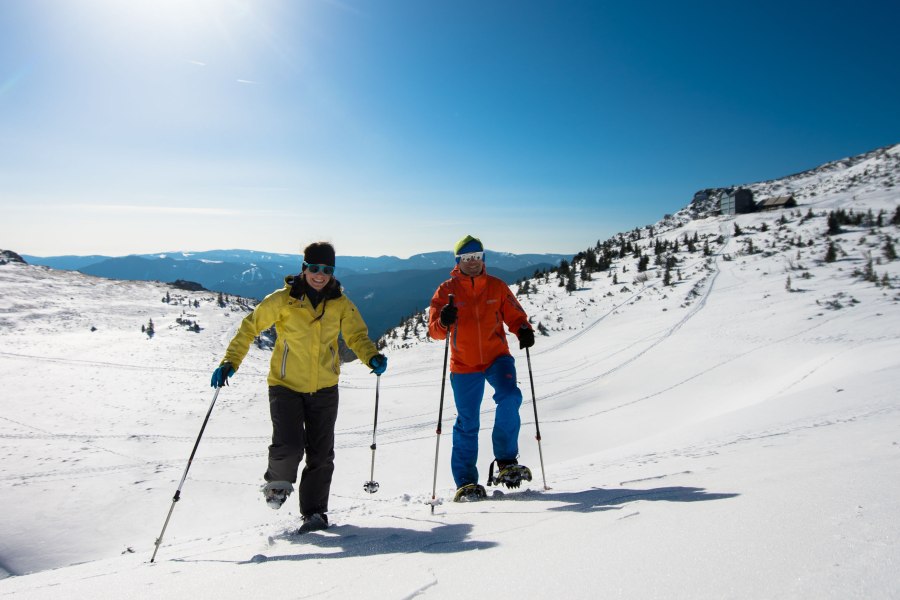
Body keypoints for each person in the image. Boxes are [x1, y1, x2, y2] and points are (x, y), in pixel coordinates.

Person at [210, 241, 387, 532]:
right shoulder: (283, 300)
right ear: (304, 269)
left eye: (326, 269)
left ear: (332, 272)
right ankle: (277, 485)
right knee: (289, 444)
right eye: (314, 268)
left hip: (325, 387)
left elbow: (356, 336)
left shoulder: (340, 303)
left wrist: (371, 357)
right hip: (285, 385)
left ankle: (314, 513)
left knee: (321, 453)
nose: (320, 274)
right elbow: (250, 327)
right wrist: (231, 361)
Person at [428, 235, 536, 502]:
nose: (473, 262)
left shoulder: (497, 287)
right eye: (467, 258)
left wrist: (523, 329)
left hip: (496, 357)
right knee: (468, 421)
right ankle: (466, 482)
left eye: (477, 257)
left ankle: (507, 461)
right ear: (458, 262)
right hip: (464, 364)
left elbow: (515, 314)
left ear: (483, 258)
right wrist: (443, 321)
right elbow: (435, 332)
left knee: (510, 397)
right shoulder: (446, 291)